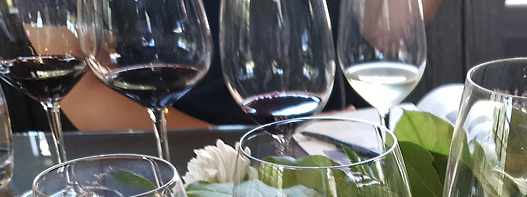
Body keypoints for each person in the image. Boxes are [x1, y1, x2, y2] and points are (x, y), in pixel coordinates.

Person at [62, 0, 442, 131]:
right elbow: (79, 91)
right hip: (175, 153)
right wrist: (230, 150)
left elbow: (387, 34)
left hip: (321, 136)